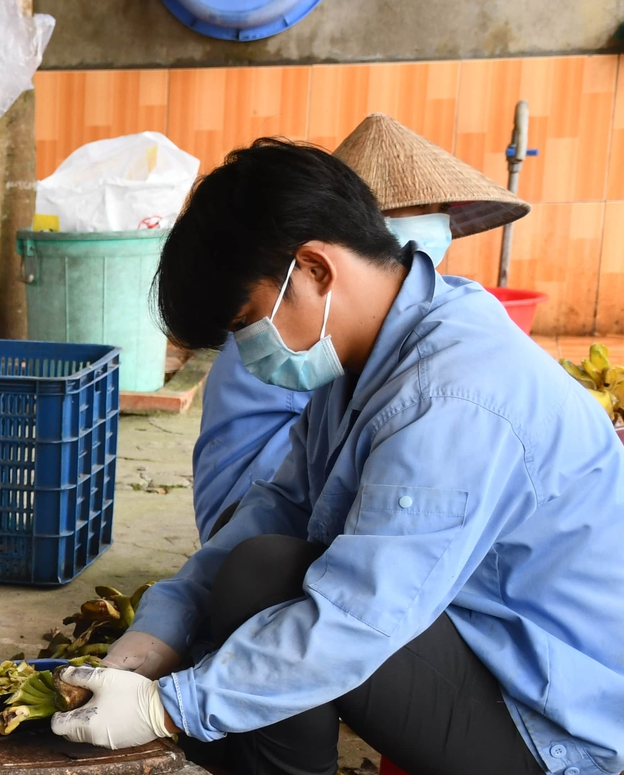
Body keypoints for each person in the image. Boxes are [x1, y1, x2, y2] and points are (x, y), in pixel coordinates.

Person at [50, 139, 624, 775]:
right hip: (471, 640)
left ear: (316, 268)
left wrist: (167, 708)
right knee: (259, 564)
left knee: (272, 580)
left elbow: (357, 617)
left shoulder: (453, 397)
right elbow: (280, 508)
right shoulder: (366, 358)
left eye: (245, 323)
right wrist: (163, 627)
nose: (246, 350)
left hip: (543, 721)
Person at [190, 114, 530, 541]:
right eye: (419, 209)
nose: (434, 223)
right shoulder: (294, 337)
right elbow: (288, 497)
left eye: (438, 211)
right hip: (246, 505)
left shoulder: (394, 343)